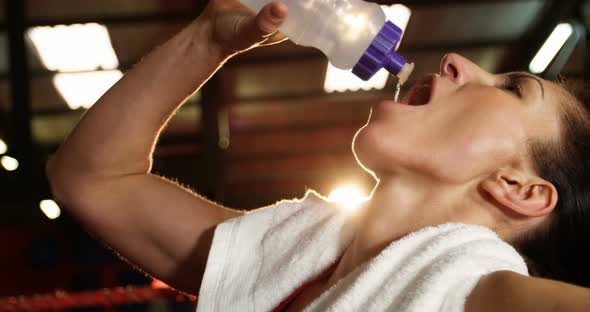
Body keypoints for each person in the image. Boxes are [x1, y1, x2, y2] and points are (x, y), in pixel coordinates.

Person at [45, 0, 590, 311]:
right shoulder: (290, 259)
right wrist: (208, 39)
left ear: (520, 188)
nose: (455, 61)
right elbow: (91, 179)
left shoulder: (486, 294)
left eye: (511, 88)